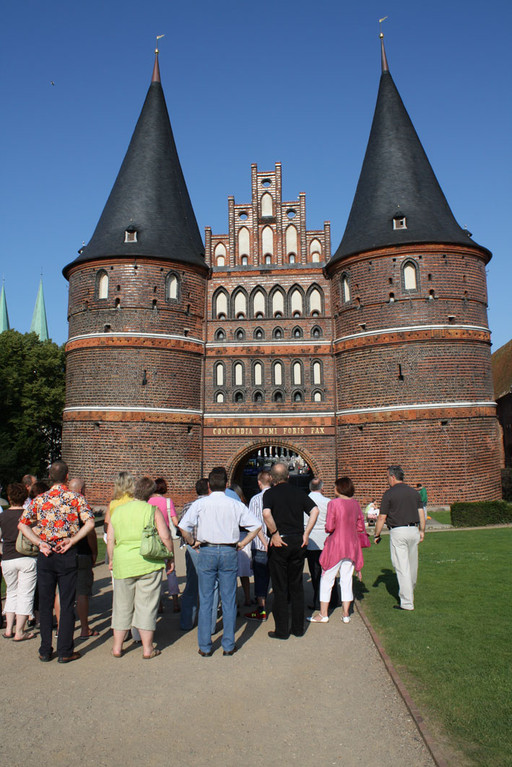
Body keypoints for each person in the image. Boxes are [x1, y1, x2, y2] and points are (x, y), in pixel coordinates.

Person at [18, 460, 95, 663]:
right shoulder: (75, 498)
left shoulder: (40, 499)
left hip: (46, 554)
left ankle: (45, 649)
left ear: (50, 477)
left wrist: (39, 542)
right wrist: (73, 539)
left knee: (45, 603)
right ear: (67, 477)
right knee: (67, 602)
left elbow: (23, 524)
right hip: (67, 552)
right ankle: (65, 650)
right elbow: (90, 522)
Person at [179, 467, 261, 657]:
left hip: (207, 549)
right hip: (228, 550)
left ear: (209, 485)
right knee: (229, 599)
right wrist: (242, 543)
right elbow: (256, 526)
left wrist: (193, 542)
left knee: (206, 598)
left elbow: (183, 527)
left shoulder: (200, 505)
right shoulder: (235, 504)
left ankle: (205, 646)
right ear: (226, 485)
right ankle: (228, 644)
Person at [107, 476, 174, 659]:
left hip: (123, 562)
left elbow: (111, 538)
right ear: (151, 493)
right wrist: (170, 557)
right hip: (148, 562)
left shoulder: (118, 511)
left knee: (121, 606)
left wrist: (112, 559)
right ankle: (147, 649)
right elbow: (165, 536)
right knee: (147, 605)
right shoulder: (152, 510)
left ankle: (117, 647)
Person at [262, 462, 319, 639]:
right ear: (288, 476)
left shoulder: (269, 494)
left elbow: (266, 514)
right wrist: (306, 533)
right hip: (297, 540)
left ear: (271, 478)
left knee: (280, 588)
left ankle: (282, 630)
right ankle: (298, 628)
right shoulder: (298, 493)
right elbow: (315, 510)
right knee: (296, 587)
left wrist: (274, 533)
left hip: (280, 541)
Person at [308, 477, 364, 624]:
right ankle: (346, 614)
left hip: (336, 544)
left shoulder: (334, 504)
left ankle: (323, 613)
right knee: (346, 580)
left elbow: (330, 526)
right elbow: (360, 526)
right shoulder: (355, 504)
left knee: (327, 578)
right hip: (351, 545)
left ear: (339, 488)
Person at [374, 466, 425, 611]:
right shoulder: (414, 493)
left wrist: (377, 534)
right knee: (412, 564)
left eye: (387, 477)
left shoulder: (389, 494)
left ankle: (407, 602)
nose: (387, 480)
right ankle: (410, 590)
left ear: (392, 477)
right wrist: (422, 530)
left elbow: (382, 517)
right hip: (413, 529)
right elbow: (421, 513)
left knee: (402, 566)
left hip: (398, 531)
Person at [179, 478, 218, 634]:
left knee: (192, 584)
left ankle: (187, 621)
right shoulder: (213, 506)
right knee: (213, 586)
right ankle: (209, 625)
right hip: (209, 547)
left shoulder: (188, 506)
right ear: (209, 489)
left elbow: (182, 528)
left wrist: (191, 542)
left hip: (192, 548)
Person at [0, 483, 38, 640]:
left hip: (7, 558)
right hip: (26, 557)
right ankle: (20, 631)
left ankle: (9, 628)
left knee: (11, 592)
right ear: (25, 498)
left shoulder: (2, 516)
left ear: (9, 498)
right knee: (25, 594)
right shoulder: (29, 515)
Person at [68, 478, 99, 639]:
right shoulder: (82, 505)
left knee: (63, 592)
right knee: (82, 592)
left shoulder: (61, 504)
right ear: (81, 491)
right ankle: (84, 628)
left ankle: (62, 627)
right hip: (81, 552)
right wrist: (94, 552)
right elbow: (91, 532)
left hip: (64, 553)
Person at [149, 477, 180, 612]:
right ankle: (175, 602)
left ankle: (159, 604)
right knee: (170, 570)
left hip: (153, 538)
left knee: (156, 572)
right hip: (165, 536)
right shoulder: (167, 502)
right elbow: (175, 521)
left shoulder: (148, 502)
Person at [245, 470, 272, 622]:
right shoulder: (276, 497)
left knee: (260, 576)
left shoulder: (255, 499)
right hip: (276, 542)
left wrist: (263, 541)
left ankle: (261, 609)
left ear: (259, 483)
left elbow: (253, 524)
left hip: (260, 544)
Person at [306, 477, 335, 611]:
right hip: (326, 539)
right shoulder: (328, 502)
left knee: (315, 572)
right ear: (322, 488)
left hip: (311, 539)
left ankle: (318, 601)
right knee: (328, 571)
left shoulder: (305, 500)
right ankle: (333, 599)